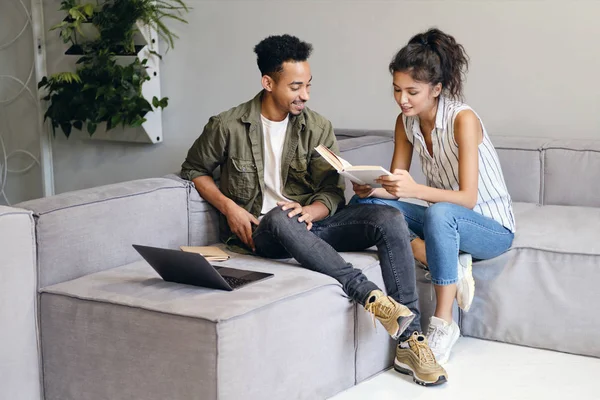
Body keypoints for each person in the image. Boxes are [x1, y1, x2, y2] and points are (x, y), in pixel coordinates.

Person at [180, 34, 447, 386]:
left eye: (308, 85)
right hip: (265, 233)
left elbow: (330, 191)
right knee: (279, 216)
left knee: (388, 216)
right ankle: (368, 295)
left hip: (310, 226)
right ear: (268, 83)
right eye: (295, 86)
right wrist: (229, 208)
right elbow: (194, 169)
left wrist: (314, 211)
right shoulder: (227, 126)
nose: (304, 94)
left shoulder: (317, 126)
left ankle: (409, 341)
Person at [351, 28, 515, 364]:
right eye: (397, 90)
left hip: (490, 227)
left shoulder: (462, 119)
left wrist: (413, 190)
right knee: (368, 207)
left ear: (436, 89)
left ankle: (444, 323)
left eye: (412, 91)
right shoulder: (405, 122)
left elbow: (467, 199)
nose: (403, 99)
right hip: (445, 221)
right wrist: (371, 186)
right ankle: (442, 258)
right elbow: (396, 186)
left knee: (441, 212)